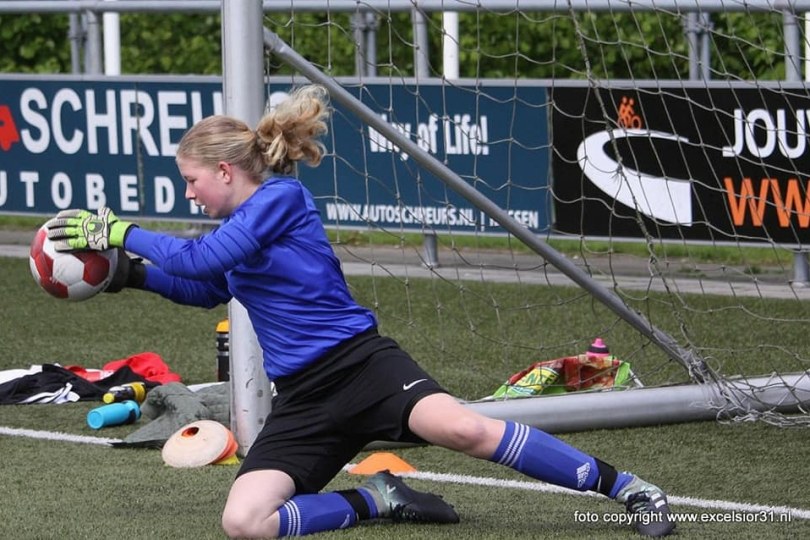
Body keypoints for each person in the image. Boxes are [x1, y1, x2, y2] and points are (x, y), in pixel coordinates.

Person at [46, 84, 675, 538]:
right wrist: (127, 276)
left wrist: (119, 231)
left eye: (190, 181)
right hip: (304, 398)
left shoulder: (280, 199)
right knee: (245, 521)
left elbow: (205, 260)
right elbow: (206, 287)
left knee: (467, 430)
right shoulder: (236, 228)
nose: (188, 192)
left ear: (222, 170)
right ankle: (377, 497)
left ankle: (629, 489)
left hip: (362, 366)